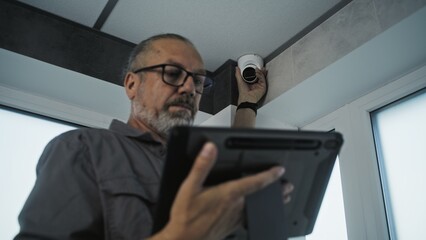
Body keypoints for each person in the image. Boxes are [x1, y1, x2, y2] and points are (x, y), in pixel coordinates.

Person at [15, 33, 292, 240]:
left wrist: (247, 104)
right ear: (132, 84)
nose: (188, 88)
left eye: (197, 81)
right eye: (172, 73)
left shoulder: (199, 164)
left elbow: (237, 158)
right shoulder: (84, 148)